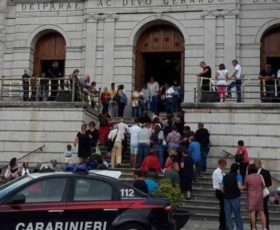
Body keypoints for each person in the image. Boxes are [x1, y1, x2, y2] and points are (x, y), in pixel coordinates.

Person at [245, 164, 267, 230]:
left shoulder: (247, 177)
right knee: (261, 212)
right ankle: (265, 228)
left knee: (252, 212)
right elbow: (263, 186)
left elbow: (245, 186)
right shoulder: (260, 176)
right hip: (259, 196)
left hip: (251, 196)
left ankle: (254, 228)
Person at [222, 163, 244, 230]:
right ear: (237, 169)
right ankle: (239, 228)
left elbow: (222, 188)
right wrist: (246, 187)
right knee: (237, 214)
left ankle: (230, 228)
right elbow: (239, 187)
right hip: (235, 197)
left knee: (227, 215)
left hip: (226, 197)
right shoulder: (238, 176)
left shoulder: (225, 176)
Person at [254, 159, 272, 230]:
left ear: (259, 164)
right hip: (255, 194)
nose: (254, 166)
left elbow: (270, 183)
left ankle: (266, 227)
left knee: (265, 211)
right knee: (254, 212)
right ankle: (254, 227)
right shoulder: (252, 172)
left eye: (255, 164)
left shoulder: (265, 172)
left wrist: (263, 186)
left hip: (263, 194)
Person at [212, 158, 227, 230]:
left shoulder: (222, 172)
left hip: (222, 191)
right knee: (223, 208)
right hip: (219, 191)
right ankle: (222, 225)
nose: (224, 166)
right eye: (223, 164)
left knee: (223, 208)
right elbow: (221, 181)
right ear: (220, 164)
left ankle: (223, 224)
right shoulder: (217, 172)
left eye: (224, 165)